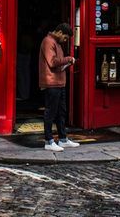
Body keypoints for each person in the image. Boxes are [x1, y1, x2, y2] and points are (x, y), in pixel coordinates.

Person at [38, 22, 79, 152]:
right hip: (51, 83)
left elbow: (57, 63)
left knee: (61, 112)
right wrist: (68, 59)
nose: (65, 40)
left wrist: (66, 62)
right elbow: (52, 62)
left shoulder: (57, 43)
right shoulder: (48, 41)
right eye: (65, 37)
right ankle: (49, 141)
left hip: (59, 82)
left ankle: (63, 139)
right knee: (50, 112)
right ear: (60, 32)